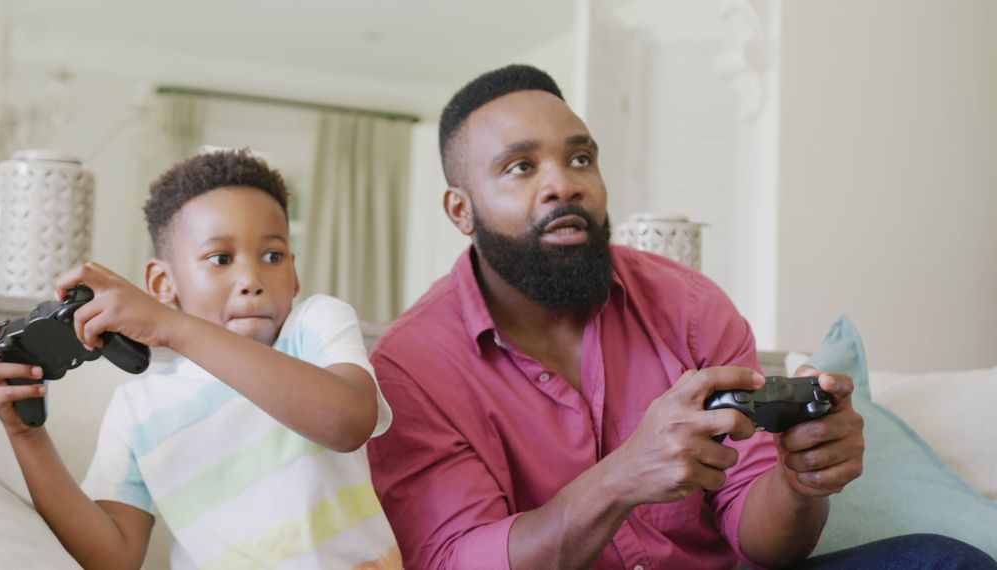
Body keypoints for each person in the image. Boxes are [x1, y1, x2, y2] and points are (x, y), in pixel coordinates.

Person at [365, 64, 996, 569]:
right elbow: (454, 559)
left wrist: (802, 484)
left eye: (580, 158)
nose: (564, 184)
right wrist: (620, 479)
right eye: (521, 167)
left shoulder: (687, 306)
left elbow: (761, 539)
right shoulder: (412, 367)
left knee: (944, 560)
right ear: (460, 210)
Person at [0, 149, 401, 569]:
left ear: (294, 271)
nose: (251, 279)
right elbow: (111, 558)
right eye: (220, 258)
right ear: (162, 282)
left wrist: (172, 326)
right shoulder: (139, 410)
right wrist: (24, 434)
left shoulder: (315, 325)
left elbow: (346, 422)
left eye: (273, 255)